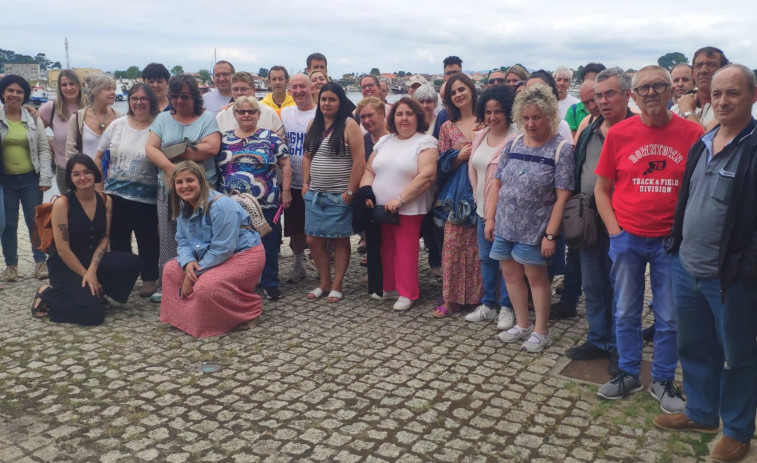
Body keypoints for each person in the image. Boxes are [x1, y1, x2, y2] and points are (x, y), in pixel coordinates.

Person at [653, 64, 757, 463]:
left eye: (733, 93)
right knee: (695, 347)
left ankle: (736, 429)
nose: (723, 101)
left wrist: (747, 270)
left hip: (729, 278)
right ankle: (700, 413)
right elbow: (688, 198)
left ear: (751, 96)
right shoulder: (705, 141)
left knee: (738, 356)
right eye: (716, 94)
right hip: (686, 266)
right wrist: (676, 246)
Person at [594, 65, 703, 411]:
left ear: (672, 91)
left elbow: (700, 189)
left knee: (669, 316)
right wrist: (614, 231)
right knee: (626, 310)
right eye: (644, 88)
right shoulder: (619, 134)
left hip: (670, 243)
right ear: (634, 96)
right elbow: (602, 189)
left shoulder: (694, 134)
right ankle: (627, 372)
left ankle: (663, 379)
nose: (652, 93)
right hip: (627, 236)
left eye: (659, 86)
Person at [486, 83, 574, 353]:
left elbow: (563, 196)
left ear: (549, 116)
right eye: (525, 118)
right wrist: (490, 219)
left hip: (535, 229)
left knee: (537, 279)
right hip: (505, 224)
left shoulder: (561, 149)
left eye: (537, 117)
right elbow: (497, 184)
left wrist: (551, 234)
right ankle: (522, 324)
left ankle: (541, 330)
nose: (531, 123)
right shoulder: (512, 143)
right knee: (511, 275)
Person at [564, 67, 635, 376]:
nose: (601, 103)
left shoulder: (638, 129)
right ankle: (598, 338)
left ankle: (621, 349)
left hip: (624, 220)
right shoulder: (590, 129)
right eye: (597, 97)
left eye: (608, 95)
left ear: (626, 95)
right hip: (590, 221)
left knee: (623, 290)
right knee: (593, 284)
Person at [159, 161, 264, 338]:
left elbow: (223, 249)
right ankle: (191, 317)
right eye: (179, 182)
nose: (185, 186)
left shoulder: (221, 206)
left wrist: (192, 277)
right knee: (170, 270)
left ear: (201, 181)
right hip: (209, 256)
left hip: (243, 256)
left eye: (190, 180)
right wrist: (188, 263)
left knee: (206, 287)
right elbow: (183, 240)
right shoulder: (184, 206)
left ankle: (248, 310)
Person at [31, 155, 140, 325]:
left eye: (87, 172)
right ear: (70, 178)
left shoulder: (105, 200)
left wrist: (93, 271)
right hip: (66, 266)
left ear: (94, 173)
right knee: (93, 315)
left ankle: (97, 293)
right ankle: (47, 295)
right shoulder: (63, 203)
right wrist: (87, 275)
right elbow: (63, 249)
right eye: (76, 174)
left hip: (92, 261)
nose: (83, 178)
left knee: (132, 262)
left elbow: (104, 239)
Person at [145, 74, 221, 303]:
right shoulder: (162, 119)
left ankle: (204, 278)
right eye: (175, 96)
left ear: (195, 97)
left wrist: (177, 150)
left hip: (203, 188)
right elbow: (150, 149)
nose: (179, 101)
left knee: (203, 234)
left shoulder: (208, 118)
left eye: (184, 97)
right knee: (169, 236)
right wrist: (170, 168)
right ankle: (167, 283)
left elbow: (212, 148)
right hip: (168, 188)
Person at [360, 97, 437, 311]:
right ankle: (390, 286)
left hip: (409, 208)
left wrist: (400, 199)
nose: (404, 118)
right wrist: (366, 191)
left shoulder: (425, 142)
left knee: (406, 250)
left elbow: (427, 175)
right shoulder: (384, 141)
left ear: (417, 117)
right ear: (392, 118)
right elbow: (369, 169)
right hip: (380, 209)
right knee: (386, 248)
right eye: (399, 114)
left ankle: (408, 292)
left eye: (409, 114)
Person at [218, 96, 291, 300]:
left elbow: (285, 165)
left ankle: (270, 282)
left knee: (268, 241)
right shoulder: (223, 139)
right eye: (241, 111)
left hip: (266, 201)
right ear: (235, 115)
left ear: (259, 114)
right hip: (231, 204)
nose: (246, 115)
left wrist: (286, 192)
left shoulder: (271, 137)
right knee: (235, 243)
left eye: (251, 111)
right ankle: (239, 282)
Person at [94, 83, 160, 298]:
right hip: (115, 195)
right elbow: (98, 156)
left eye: (143, 98)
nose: (139, 102)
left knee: (147, 239)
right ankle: (123, 277)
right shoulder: (118, 125)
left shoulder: (159, 125)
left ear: (151, 100)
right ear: (129, 101)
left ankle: (149, 278)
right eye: (134, 98)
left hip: (147, 197)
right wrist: (99, 187)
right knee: (119, 239)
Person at [302, 82, 365, 302]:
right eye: (323, 99)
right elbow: (307, 156)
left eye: (332, 99)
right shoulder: (313, 124)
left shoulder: (349, 125)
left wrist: (350, 190)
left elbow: (359, 161)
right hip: (315, 195)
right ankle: (324, 281)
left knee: (339, 239)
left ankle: (337, 283)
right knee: (313, 240)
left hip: (339, 195)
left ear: (340, 102)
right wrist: (305, 184)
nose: (327, 103)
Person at [464, 85, 518, 327]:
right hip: (481, 209)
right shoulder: (479, 136)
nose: (493, 116)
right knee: (486, 259)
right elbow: (475, 171)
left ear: (507, 111)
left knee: (507, 260)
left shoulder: (516, 139)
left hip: (506, 212)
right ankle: (488, 304)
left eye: (498, 111)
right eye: (488, 111)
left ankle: (508, 306)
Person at [433, 73, 482, 318]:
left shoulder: (486, 121)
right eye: (453, 92)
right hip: (456, 195)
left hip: (482, 190)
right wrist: (458, 156)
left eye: (462, 89)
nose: (458, 95)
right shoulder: (447, 127)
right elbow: (440, 165)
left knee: (477, 246)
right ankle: (451, 298)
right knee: (452, 245)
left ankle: (477, 298)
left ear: (471, 90)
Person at [0, 74, 53, 282]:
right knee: (8, 223)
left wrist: (46, 178)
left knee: (35, 221)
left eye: (19, 91)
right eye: (10, 91)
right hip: (6, 181)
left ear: (25, 95)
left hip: (31, 178)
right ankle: (11, 265)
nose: (14, 95)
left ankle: (40, 262)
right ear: (3, 93)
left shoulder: (32, 118)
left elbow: (42, 148)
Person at [280, 73, 316, 284]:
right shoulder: (285, 113)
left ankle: (320, 264)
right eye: (294, 87)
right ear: (289, 90)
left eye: (303, 86)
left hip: (316, 181)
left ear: (311, 88)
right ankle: (298, 264)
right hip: (292, 180)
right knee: (296, 228)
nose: (298, 91)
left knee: (318, 228)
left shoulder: (320, 113)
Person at [39, 69, 87, 191]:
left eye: (72, 83)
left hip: (91, 170)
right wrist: (48, 143)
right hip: (65, 170)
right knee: (68, 208)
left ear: (79, 85)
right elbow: (33, 130)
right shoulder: (51, 108)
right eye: (64, 85)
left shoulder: (91, 105)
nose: (68, 88)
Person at [65, 75, 123, 160]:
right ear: (94, 92)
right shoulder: (78, 119)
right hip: (86, 172)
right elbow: (70, 153)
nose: (113, 92)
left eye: (113, 89)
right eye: (108, 89)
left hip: (113, 172)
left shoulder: (119, 118)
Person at [215, 72, 284, 137]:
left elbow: (281, 141)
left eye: (244, 89)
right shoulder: (222, 116)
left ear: (254, 90)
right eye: (235, 89)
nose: (239, 93)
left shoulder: (269, 113)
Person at [673, 46, 728, 129]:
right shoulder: (677, 108)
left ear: (724, 71)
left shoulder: (729, 106)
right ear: (693, 74)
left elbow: (705, 139)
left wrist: (688, 112)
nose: (703, 70)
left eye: (710, 65)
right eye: (699, 65)